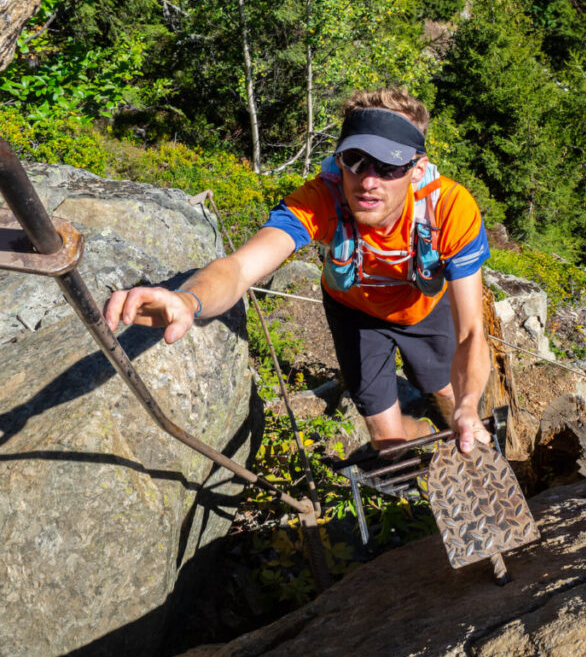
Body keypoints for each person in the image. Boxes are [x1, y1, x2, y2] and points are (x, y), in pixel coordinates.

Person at [105, 89, 492, 454]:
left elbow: (471, 332)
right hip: (355, 314)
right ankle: (433, 437)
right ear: (339, 159)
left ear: (418, 168)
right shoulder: (321, 199)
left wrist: (469, 405)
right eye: (355, 160)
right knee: (387, 443)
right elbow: (241, 268)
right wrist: (189, 299)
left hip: (422, 308)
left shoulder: (450, 209)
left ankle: (456, 424)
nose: (368, 181)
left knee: (448, 393)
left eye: (389, 164)